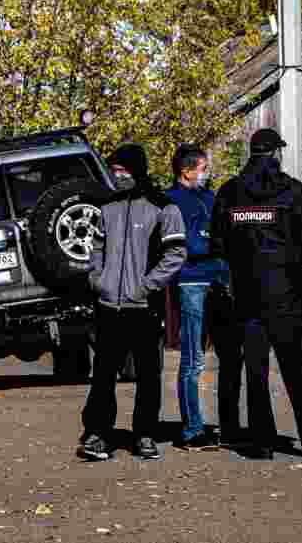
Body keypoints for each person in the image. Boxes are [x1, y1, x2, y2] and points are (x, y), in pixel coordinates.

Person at [211, 128, 302, 460]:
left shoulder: (230, 192)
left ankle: (261, 442)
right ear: (276, 153)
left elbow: (217, 242)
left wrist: (243, 263)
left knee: (256, 372)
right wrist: (288, 260)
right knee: (296, 370)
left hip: (246, 295)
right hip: (286, 294)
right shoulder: (292, 190)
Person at [78, 143, 187, 461]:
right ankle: (98, 434)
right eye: (114, 171)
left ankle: (145, 434)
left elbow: (176, 253)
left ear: (137, 170)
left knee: (148, 375)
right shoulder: (106, 206)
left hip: (144, 307)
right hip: (108, 306)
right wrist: (97, 279)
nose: (117, 176)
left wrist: (147, 286)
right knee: (103, 375)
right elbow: (96, 248)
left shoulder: (163, 207)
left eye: (122, 170)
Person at [165, 144, 243, 450]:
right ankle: (192, 430)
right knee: (193, 360)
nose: (206, 174)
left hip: (218, 282)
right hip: (192, 283)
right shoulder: (172, 201)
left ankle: (229, 426)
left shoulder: (210, 198)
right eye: (202, 169)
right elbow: (189, 243)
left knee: (230, 355)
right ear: (186, 171)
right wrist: (212, 242)